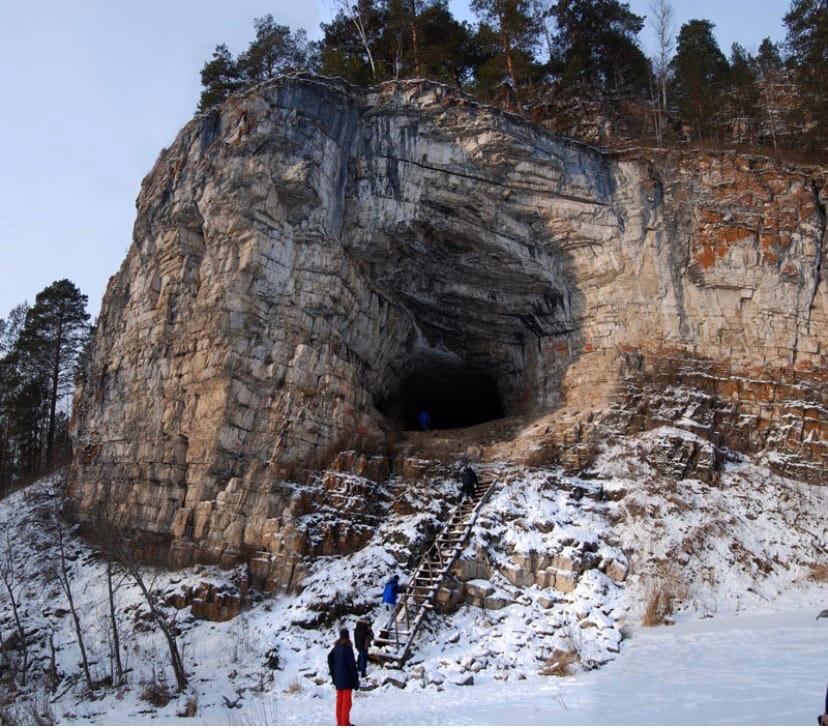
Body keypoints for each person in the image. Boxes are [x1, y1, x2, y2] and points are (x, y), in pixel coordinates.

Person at [327, 628, 359, 727]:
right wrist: (356, 680)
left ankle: (340, 722)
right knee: (346, 703)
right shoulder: (347, 648)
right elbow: (352, 666)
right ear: (348, 637)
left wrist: (333, 673)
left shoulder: (335, 648)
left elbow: (329, 658)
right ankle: (344, 723)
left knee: (339, 702)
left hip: (338, 679)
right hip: (347, 679)